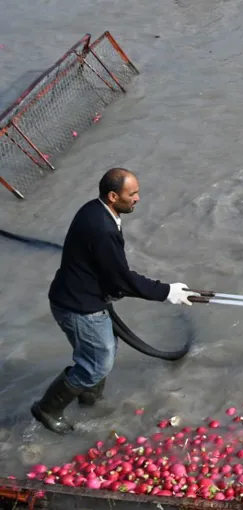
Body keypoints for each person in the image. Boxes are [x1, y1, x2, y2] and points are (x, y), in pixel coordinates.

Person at [32, 168, 194, 434]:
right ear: (112, 196)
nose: (138, 198)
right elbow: (121, 278)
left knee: (98, 354)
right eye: (132, 194)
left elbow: (110, 273)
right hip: (79, 307)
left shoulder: (94, 210)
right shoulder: (102, 229)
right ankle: (47, 409)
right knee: (98, 362)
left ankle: (88, 397)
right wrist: (167, 292)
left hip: (77, 296)